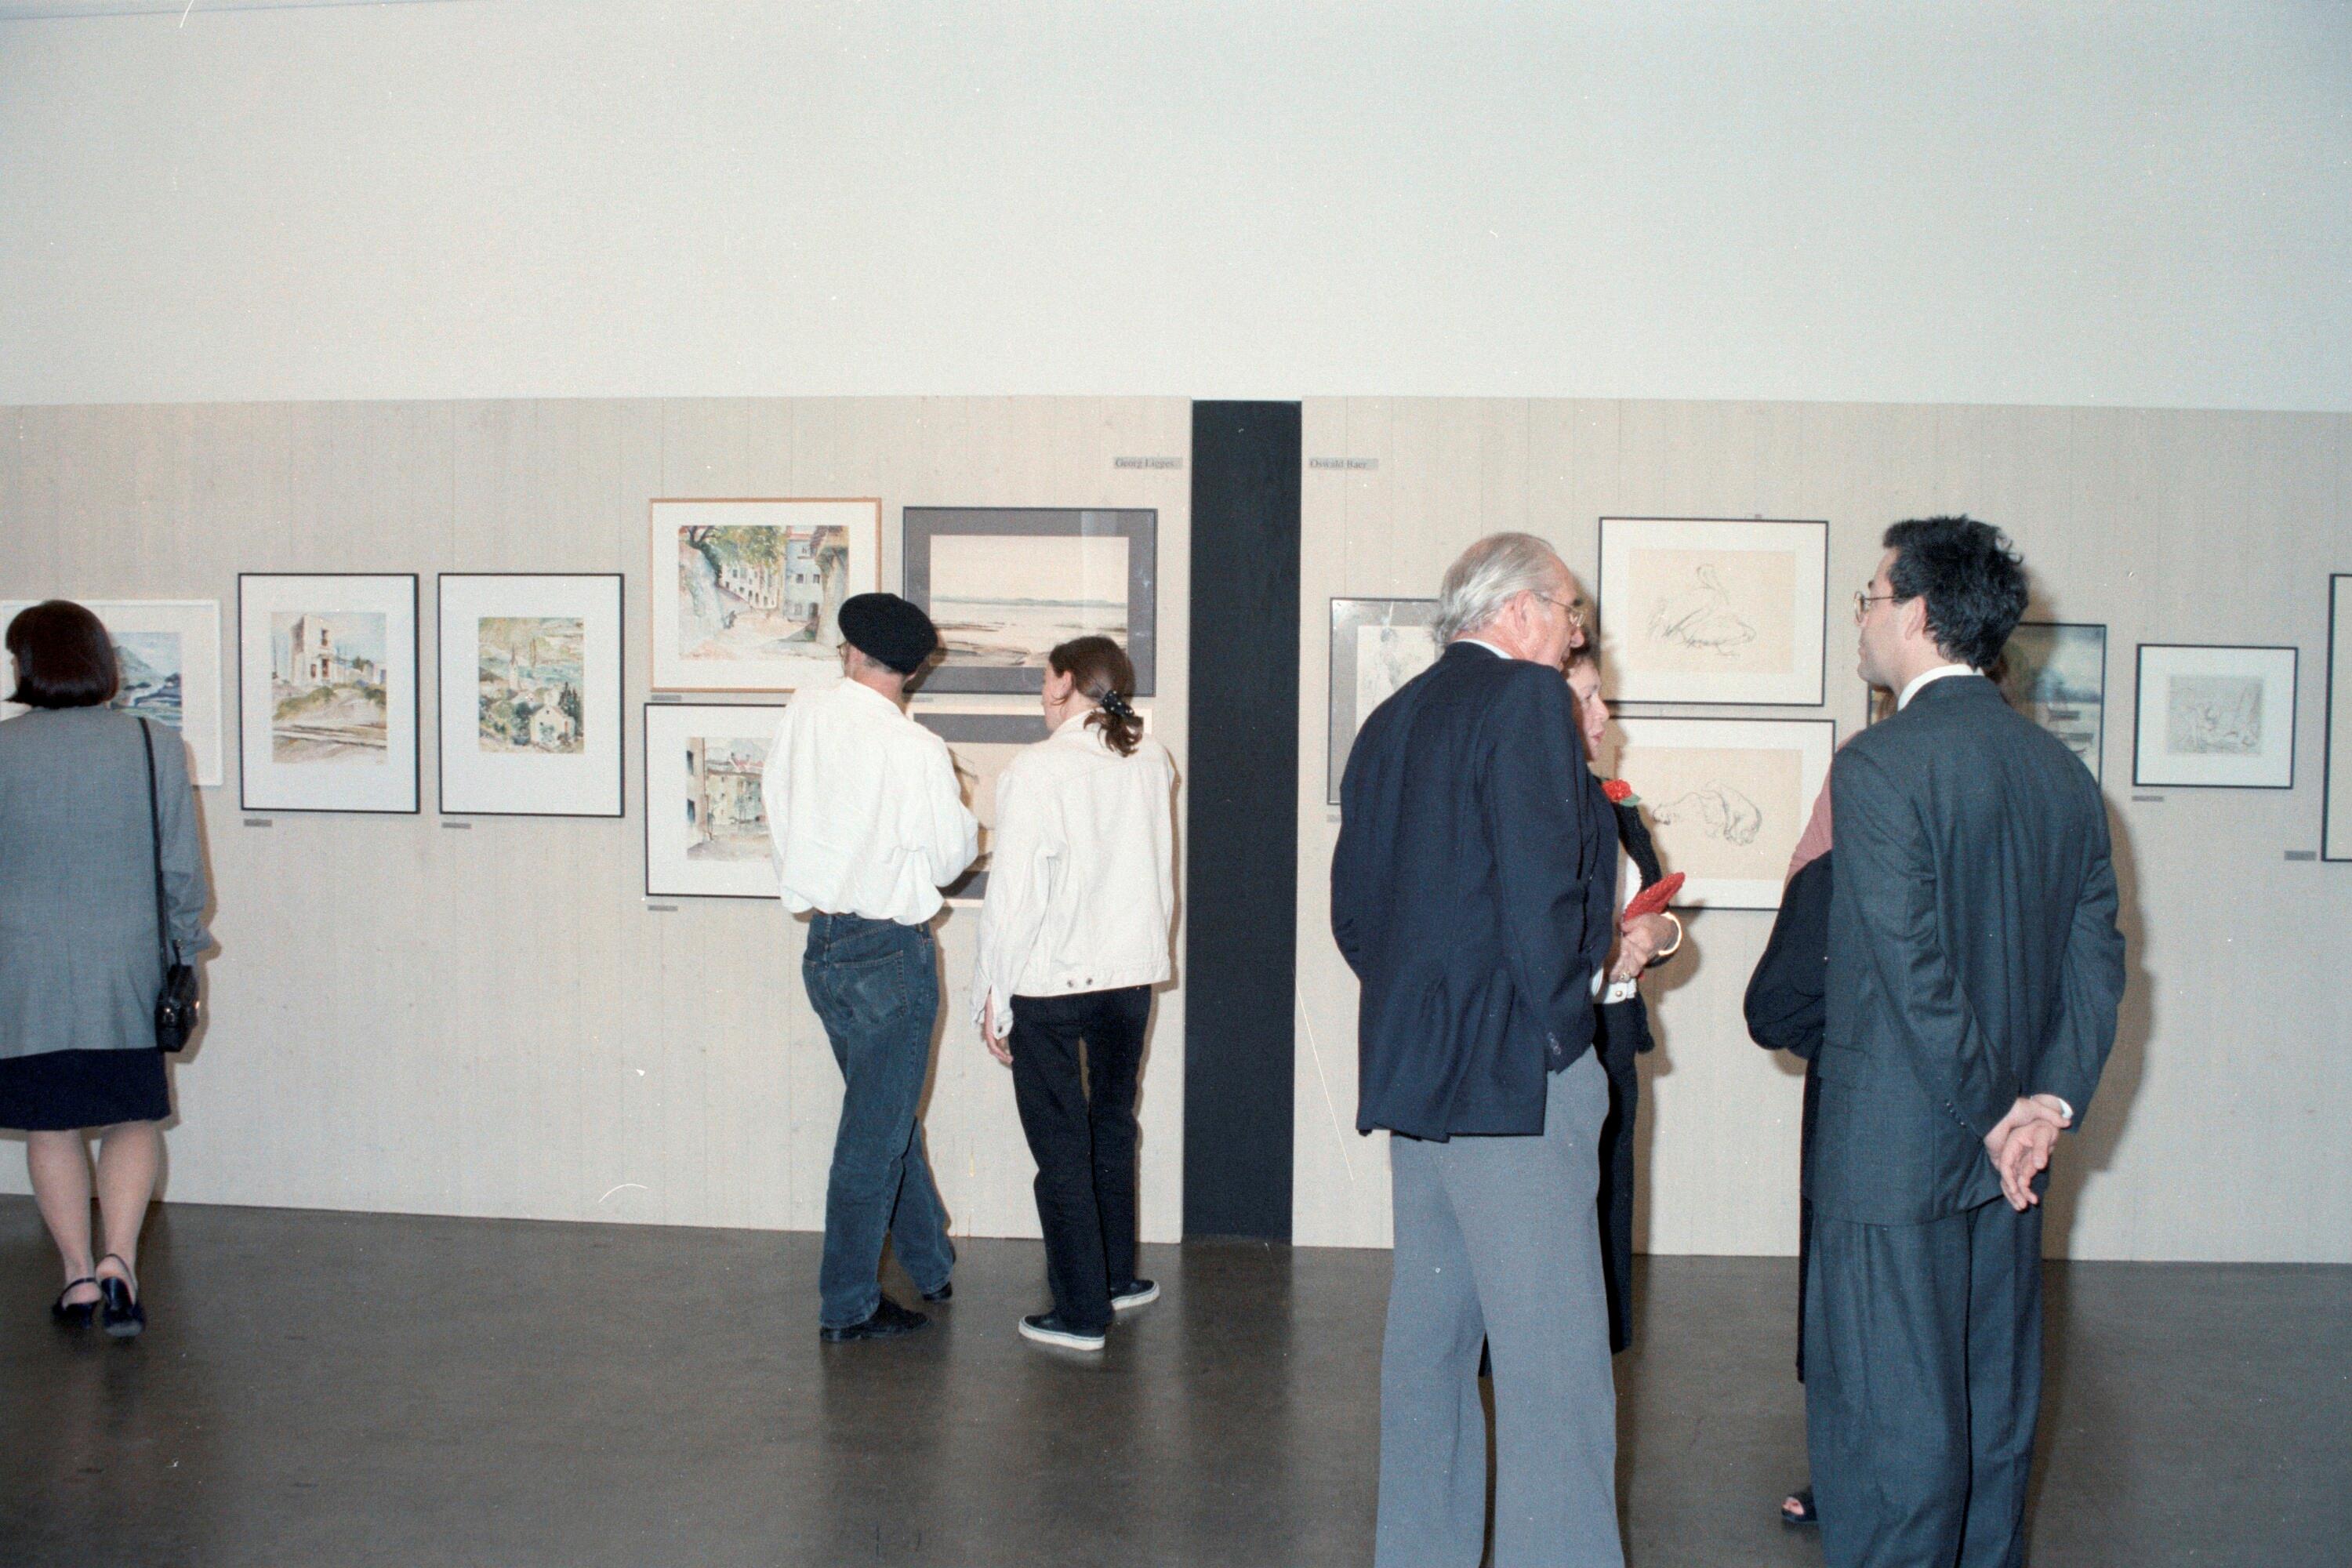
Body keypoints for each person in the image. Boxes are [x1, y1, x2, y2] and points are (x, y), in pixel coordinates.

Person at [1809, 517, 2125, 1567]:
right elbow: (2097, 964)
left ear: (1916, 613)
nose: (1861, 616)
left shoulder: (1879, 766)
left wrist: (1999, 1114)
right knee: (1993, 1428)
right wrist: (2046, 1107)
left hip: (1896, 1157)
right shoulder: (2061, 773)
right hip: (2012, 1165)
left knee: (1889, 1442)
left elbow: (1914, 974)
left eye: (1870, 595)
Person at [1332, 532, 1624, 1568]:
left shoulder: (1391, 717)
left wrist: (1425, 1009)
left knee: (1429, 1357)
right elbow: (1545, 897)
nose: (1577, 635)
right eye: (1571, 611)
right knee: (1555, 1376)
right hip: (1517, 1082)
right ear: (1520, 609)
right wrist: (1564, 1027)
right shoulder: (1529, 699)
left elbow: (1354, 916)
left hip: (1417, 1080)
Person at [762, 592, 978, 1344]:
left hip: (824, 946)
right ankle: (849, 1303)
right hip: (889, 953)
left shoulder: (803, 713)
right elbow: (950, 859)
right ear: (912, 671)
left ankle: (931, 1262)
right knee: (874, 1136)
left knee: (883, 1119)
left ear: (852, 652)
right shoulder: (914, 748)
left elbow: (778, 809)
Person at [0, 600, 212, 1340]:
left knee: (52, 1126)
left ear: (26, 665)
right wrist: (185, 950)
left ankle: (78, 1277)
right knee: (132, 1116)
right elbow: (181, 872)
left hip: (23, 975)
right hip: (126, 969)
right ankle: (120, 1262)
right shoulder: (154, 745)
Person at [972, 635, 1177, 1352]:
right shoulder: (1151, 756)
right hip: (1130, 980)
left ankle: (1082, 1312)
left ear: (1064, 683)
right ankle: (1116, 1279)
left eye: (1044, 679)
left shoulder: (1038, 769)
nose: (1040, 693)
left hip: (1051, 984)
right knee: (1112, 1127)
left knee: (1061, 1147)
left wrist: (992, 993)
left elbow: (1014, 898)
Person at [1563, 644, 1684, 1354]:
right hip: (1553, 1038)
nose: (1604, 713)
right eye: (1586, 697)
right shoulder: (1526, 802)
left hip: (1614, 1033)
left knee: (1609, 1199)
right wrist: (1605, 945)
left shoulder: (1616, 801)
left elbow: (1662, 913)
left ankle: (1600, 1352)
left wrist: (1657, 935)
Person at [1743, 776, 1835, 1528]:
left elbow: (1776, 1006)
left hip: (1866, 1102)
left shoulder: (1867, 770)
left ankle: (1845, 1475)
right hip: (2001, 1109)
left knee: (1846, 1297)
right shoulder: (2044, 780)